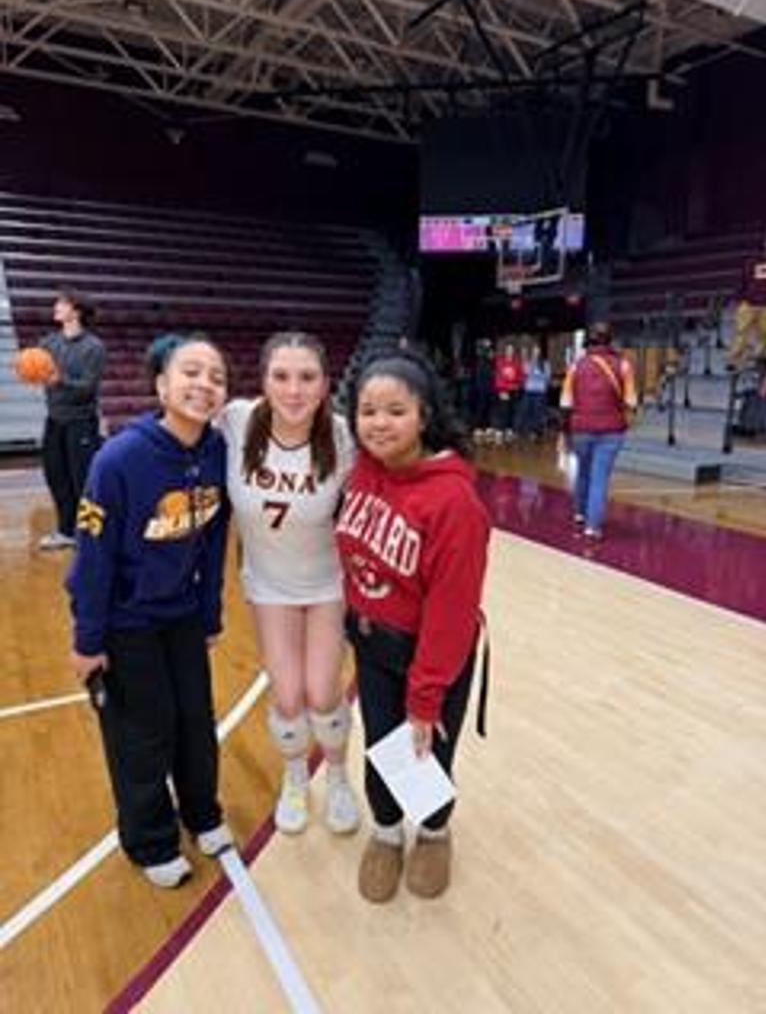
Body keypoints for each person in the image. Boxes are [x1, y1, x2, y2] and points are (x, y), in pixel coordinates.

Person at [67, 334, 233, 888]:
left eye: (216, 377)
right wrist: (88, 639)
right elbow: (92, 557)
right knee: (142, 733)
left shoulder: (216, 451)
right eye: (191, 372)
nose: (204, 384)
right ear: (161, 385)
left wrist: (209, 614)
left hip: (181, 615)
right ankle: (150, 840)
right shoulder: (118, 459)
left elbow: (213, 542)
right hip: (125, 622)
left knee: (195, 721)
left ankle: (202, 814)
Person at [337, 352, 490, 903]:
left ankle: (433, 833)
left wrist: (425, 697)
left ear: (424, 416)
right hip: (373, 644)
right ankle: (386, 833)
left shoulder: (454, 502)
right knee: (381, 744)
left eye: (395, 411)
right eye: (368, 410)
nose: (379, 422)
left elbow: (452, 613)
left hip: (433, 654)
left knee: (427, 751)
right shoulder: (362, 470)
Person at [218, 331, 360, 837]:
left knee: (323, 693)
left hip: (326, 584)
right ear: (263, 381)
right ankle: (295, 777)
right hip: (269, 586)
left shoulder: (342, 436)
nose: (294, 390)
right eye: (281, 376)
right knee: (288, 696)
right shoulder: (236, 420)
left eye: (307, 377)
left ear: (325, 384)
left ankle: (338, 777)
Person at [39, 288, 107, 550]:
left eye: (62, 303)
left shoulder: (94, 347)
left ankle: (90, 534)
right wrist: (28, 370)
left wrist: (60, 380)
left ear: (76, 311)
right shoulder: (48, 343)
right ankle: (66, 531)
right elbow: (37, 369)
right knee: (56, 477)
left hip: (81, 422)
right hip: (54, 419)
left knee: (84, 480)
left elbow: (88, 387)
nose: (56, 306)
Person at [559, 321, 637, 540]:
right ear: (611, 340)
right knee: (599, 477)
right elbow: (631, 401)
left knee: (583, 471)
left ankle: (580, 513)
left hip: (581, 429)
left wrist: (564, 431)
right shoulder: (623, 365)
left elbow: (565, 403)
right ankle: (592, 527)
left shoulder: (576, 366)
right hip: (612, 430)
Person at [518, 344, 551, 438]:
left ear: (540, 353)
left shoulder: (545, 364)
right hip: (529, 391)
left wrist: (537, 376)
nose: (535, 353)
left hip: (539, 392)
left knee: (538, 412)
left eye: (537, 352)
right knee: (527, 411)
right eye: (534, 352)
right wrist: (530, 362)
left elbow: (547, 378)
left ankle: (537, 432)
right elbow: (525, 371)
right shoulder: (529, 362)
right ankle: (527, 431)